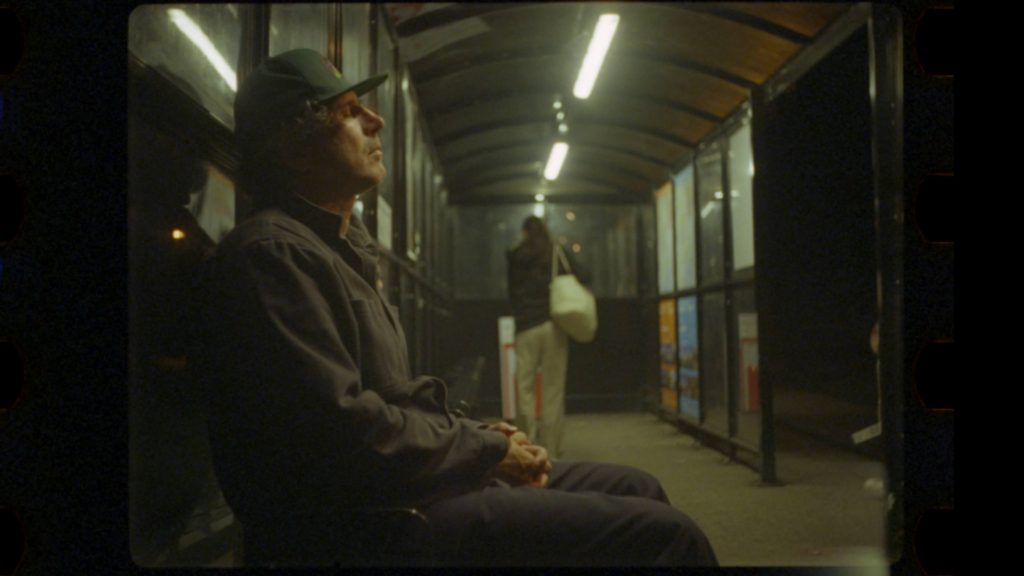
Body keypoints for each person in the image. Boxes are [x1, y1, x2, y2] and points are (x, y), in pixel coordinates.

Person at [197, 48, 717, 567]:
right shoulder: (273, 254)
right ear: (296, 152)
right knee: (670, 537)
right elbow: (345, 434)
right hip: (371, 523)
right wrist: (484, 451)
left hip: (408, 489)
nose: (376, 121)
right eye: (350, 112)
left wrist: (482, 436)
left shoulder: (338, 250)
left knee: (638, 485)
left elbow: (391, 401)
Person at [507, 215, 583, 458]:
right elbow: (584, 274)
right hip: (553, 325)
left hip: (526, 327)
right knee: (553, 389)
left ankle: (526, 446)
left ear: (524, 232)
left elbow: (511, 291)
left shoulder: (515, 255)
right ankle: (550, 451)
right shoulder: (555, 252)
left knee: (525, 388)